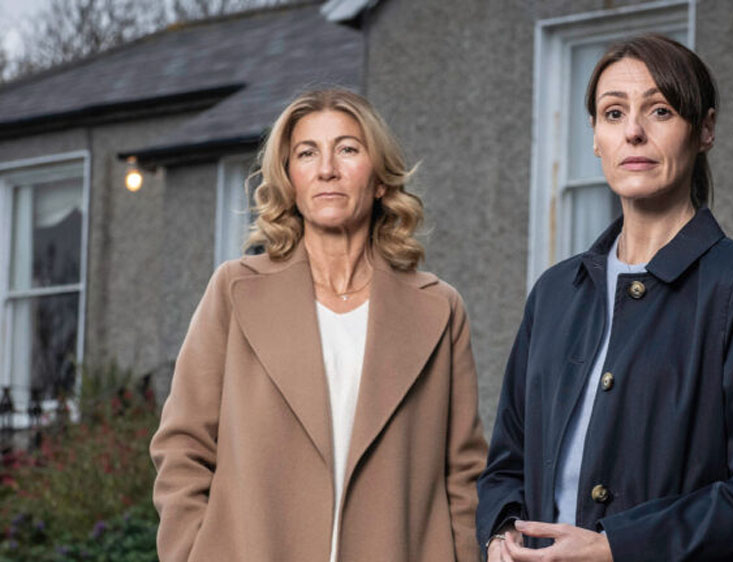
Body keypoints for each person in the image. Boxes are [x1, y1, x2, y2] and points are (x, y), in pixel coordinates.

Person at [476, 34, 733, 562]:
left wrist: (617, 547)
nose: (633, 131)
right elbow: (506, 463)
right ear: (595, 137)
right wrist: (501, 534)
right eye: (613, 113)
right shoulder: (555, 293)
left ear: (704, 129)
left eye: (660, 111)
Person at [151, 88, 487, 562]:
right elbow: (184, 446)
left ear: (379, 179)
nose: (327, 169)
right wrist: (192, 552)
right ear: (290, 178)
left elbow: (464, 474)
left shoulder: (439, 309)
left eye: (347, 149)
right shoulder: (235, 291)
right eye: (307, 153)